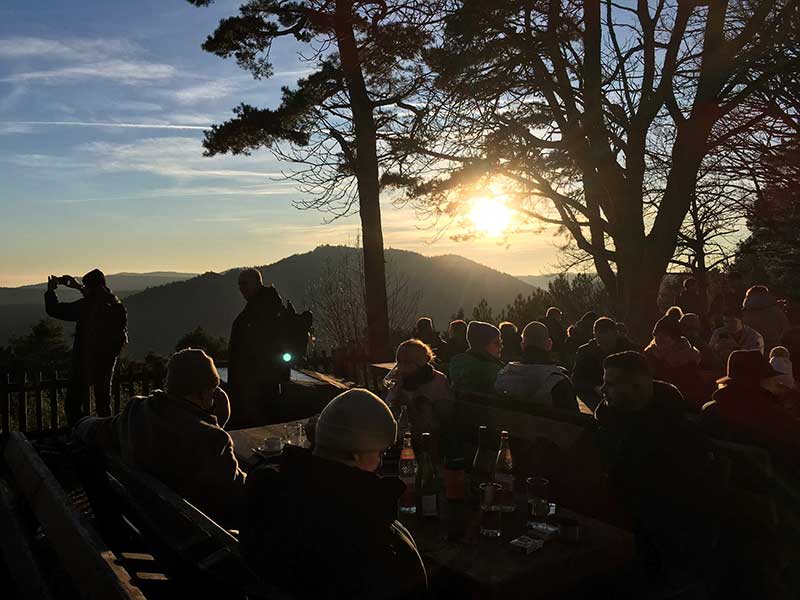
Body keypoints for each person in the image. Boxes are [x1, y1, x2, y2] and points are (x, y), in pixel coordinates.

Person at [593, 352, 763, 597]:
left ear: (638, 386)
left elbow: (690, 496)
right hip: (623, 525)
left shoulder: (677, 436)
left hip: (666, 538)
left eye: (610, 384)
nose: (602, 390)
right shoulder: (609, 423)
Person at [242, 389, 428, 599]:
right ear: (357, 454)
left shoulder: (270, 486)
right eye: (380, 452)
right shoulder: (364, 523)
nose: (380, 462)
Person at [74, 349, 246, 529]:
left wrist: (80, 424)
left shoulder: (136, 413)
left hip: (145, 523)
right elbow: (240, 493)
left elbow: (87, 427)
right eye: (212, 391)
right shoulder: (213, 441)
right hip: (190, 534)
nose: (214, 398)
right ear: (201, 393)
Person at [45, 269, 127, 424]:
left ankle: (81, 432)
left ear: (90, 288)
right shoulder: (116, 305)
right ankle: (107, 434)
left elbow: (55, 310)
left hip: (84, 361)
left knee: (73, 405)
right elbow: (96, 299)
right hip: (107, 362)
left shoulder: (86, 307)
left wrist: (50, 291)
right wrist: (78, 287)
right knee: (103, 403)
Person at [702, 350, 800, 464]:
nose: (776, 383)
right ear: (758, 382)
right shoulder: (769, 414)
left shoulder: (710, 409)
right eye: (770, 379)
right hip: (775, 471)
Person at [227, 268, 289, 428]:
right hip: (266, 380)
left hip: (258, 384)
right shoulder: (268, 306)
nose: (241, 288)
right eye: (239, 284)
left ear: (257, 283)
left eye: (244, 283)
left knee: (259, 426)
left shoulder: (259, 312)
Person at [495, 321, 578, 411]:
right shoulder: (560, 383)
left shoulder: (503, 377)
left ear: (522, 345)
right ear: (549, 344)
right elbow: (574, 417)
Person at [385, 339, 451, 445]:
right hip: (399, 433)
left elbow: (444, 415)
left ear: (421, 362)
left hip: (428, 437)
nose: (401, 367)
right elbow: (388, 407)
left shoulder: (437, 380)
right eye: (399, 362)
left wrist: (420, 403)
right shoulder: (399, 380)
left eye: (407, 363)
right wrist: (396, 392)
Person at [643, 313, 713, 410]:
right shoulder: (650, 355)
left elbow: (693, 387)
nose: (659, 339)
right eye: (656, 335)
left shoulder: (687, 358)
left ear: (674, 339)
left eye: (664, 336)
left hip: (684, 404)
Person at [572, 317, 633, 410]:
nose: (604, 346)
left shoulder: (630, 351)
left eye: (608, 342)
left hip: (624, 399)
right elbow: (576, 381)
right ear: (595, 336)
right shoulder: (585, 352)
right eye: (600, 342)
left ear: (616, 334)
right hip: (595, 399)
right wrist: (594, 388)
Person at [448, 321, 504, 394]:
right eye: (496, 343)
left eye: (501, 343)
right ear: (482, 345)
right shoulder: (496, 372)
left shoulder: (457, 364)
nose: (501, 346)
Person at [742, 285, 790, 352]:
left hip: (752, 346)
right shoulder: (775, 310)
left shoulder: (746, 312)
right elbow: (785, 328)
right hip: (773, 345)